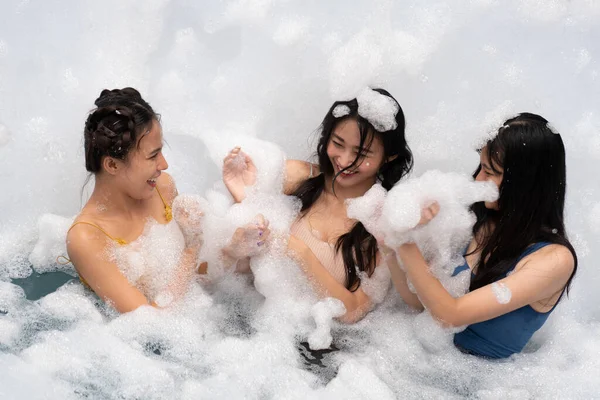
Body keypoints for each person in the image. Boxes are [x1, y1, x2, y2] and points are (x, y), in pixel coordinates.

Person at [387, 113, 577, 358]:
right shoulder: (475, 219)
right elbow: (419, 303)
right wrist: (389, 244)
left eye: (491, 171)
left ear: (526, 184)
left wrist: (404, 239)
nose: (478, 179)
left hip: (476, 386)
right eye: (481, 167)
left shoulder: (554, 260)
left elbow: (449, 315)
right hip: (414, 357)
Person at [67, 88, 269, 313]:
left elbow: (189, 279)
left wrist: (231, 253)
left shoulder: (162, 188)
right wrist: (193, 246)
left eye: (161, 151)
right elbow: (150, 321)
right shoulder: (86, 237)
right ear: (112, 165)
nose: (164, 165)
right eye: (153, 155)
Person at [223, 88, 413, 323]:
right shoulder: (296, 177)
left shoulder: (383, 220)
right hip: (258, 320)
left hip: (326, 343)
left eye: (361, 153)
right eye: (338, 143)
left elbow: (353, 311)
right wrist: (245, 201)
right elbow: (236, 267)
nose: (344, 161)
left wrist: (301, 253)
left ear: (389, 157)